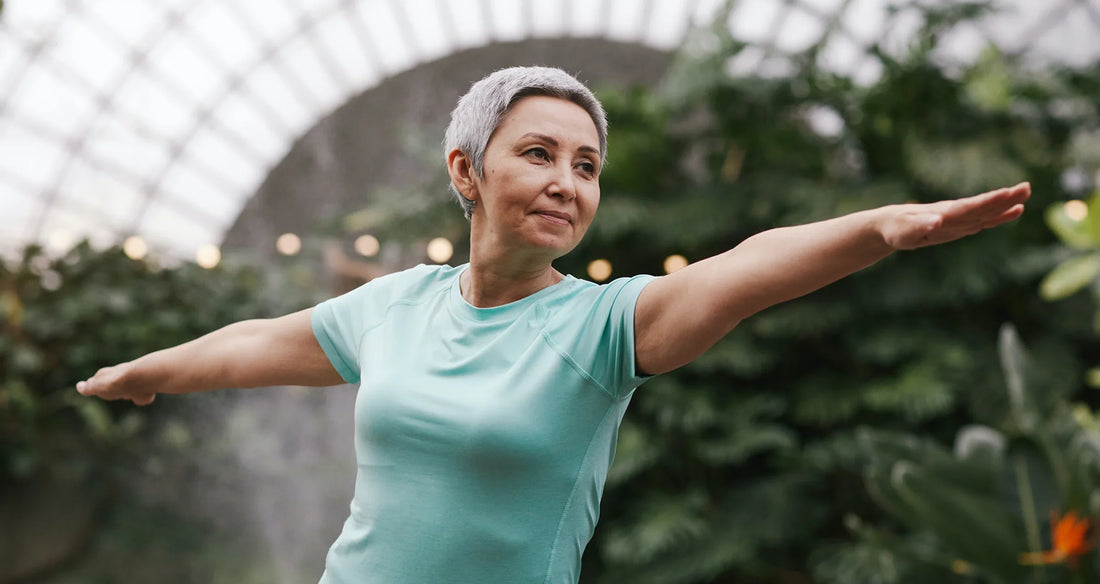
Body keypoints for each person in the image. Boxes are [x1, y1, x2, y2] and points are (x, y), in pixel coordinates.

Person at [76, 66, 1031, 583]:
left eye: (586, 165)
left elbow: (746, 269)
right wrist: (143, 369)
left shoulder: (607, 328)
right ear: (466, 172)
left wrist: (880, 228)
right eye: (538, 153)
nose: (567, 183)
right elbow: (252, 344)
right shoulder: (394, 307)